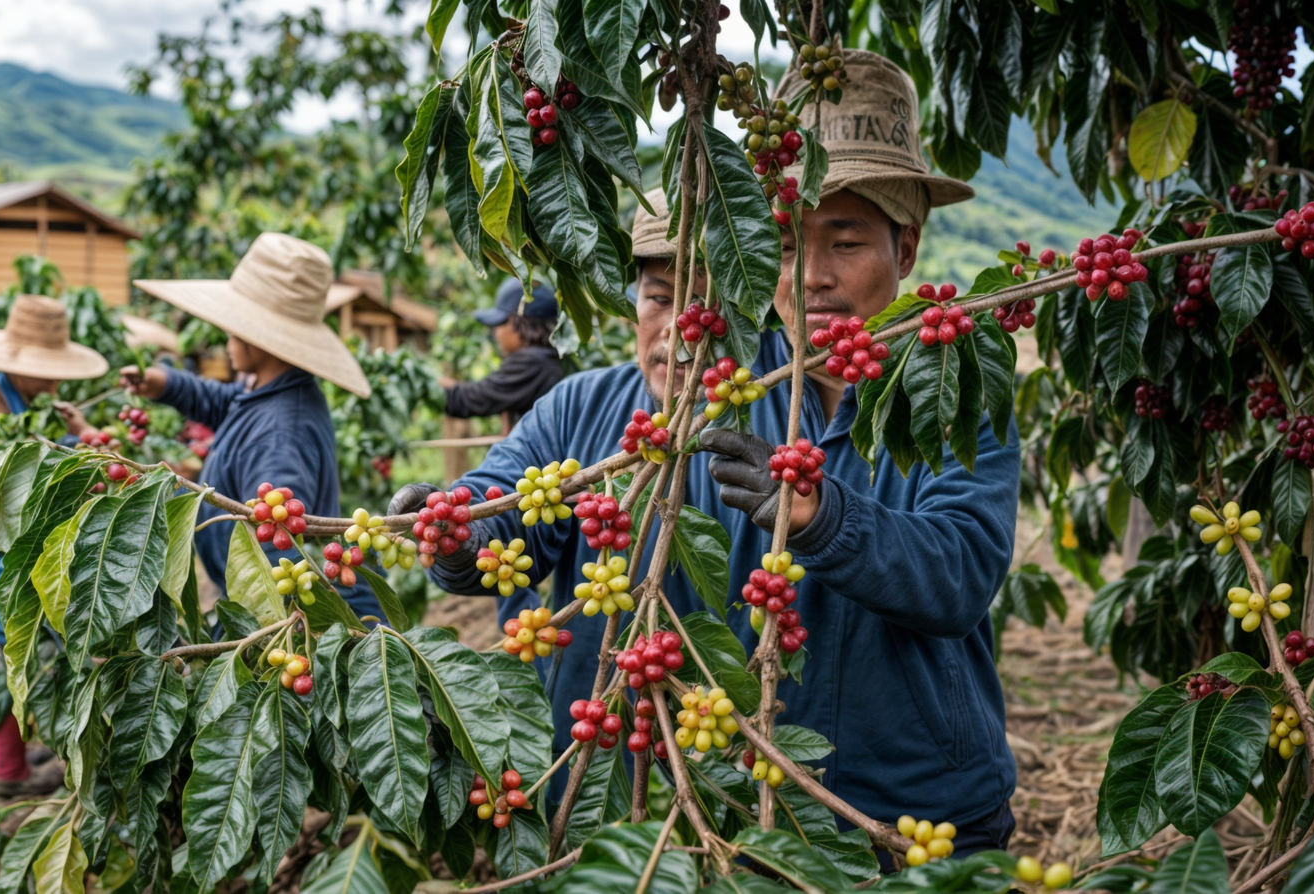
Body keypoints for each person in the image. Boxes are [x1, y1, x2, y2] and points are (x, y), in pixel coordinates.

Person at [392, 51, 1019, 852]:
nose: (814, 278)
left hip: (912, 806)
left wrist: (826, 518)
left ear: (908, 250)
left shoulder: (954, 393)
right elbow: (515, 506)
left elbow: (961, 570)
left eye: (848, 242)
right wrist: (462, 531)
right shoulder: (704, 396)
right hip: (733, 798)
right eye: (788, 246)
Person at [126, 233, 381, 619]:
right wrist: (168, 383)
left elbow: (279, 560)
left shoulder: (281, 435)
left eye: (234, 327)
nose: (227, 338)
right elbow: (232, 406)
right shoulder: (272, 391)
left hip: (284, 620)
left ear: (259, 337)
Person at [0, 294, 108, 797]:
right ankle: (7, 774)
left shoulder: (39, 401)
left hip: (51, 545)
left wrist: (82, 432)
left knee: (59, 649)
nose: (55, 382)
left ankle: (49, 742)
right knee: (16, 656)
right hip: (10, 556)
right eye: (46, 371)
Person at [441, 279, 564, 426]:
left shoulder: (532, 361)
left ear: (518, 323)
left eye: (499, 324)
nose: (495, 333)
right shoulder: (551, 357)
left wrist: (425, 383)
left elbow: (469, 400)